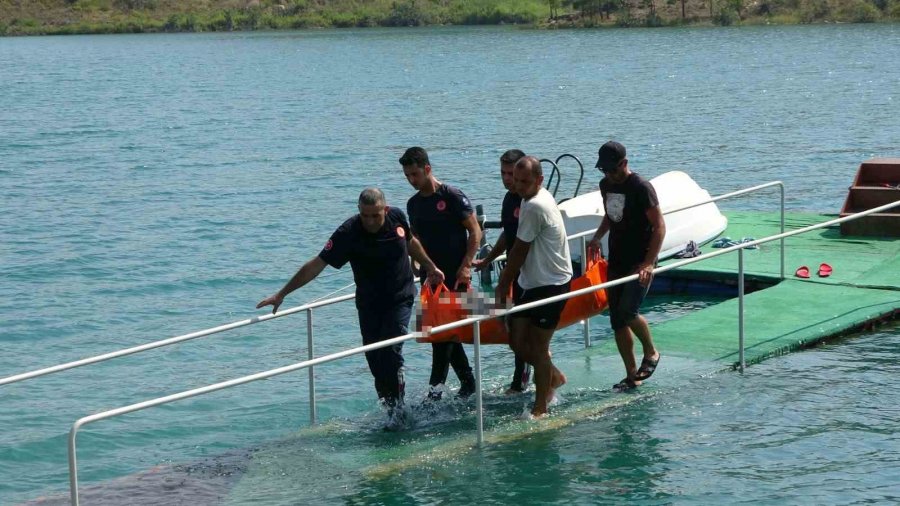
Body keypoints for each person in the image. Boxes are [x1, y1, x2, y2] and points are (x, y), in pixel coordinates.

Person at [257, 188, 444, 420]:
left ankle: (400, 408)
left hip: (399, 297)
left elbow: (410, 242)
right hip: (368, 304)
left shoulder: (396, 217)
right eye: (365, 215)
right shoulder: (348, 232)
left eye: (376, 215)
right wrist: (282, 293)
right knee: (375, 361)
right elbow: (316, 265)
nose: (371, 221)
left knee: (390, 351)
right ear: (359, 211)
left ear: (385, 209)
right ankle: (390, 410)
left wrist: (429, 266)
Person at [400, 146, 481, 401]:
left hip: (455, 277)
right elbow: (416, 239)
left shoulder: (452, 196)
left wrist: (467, 265)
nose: (412, 180)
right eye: (407, 176)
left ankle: (434, 395)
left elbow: (475, 232)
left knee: (442, 337)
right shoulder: (413, 204)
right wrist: (416, 264)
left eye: (415, 174)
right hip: (430, 280)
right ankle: (468, 383)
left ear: (427, 169)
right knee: (442, 334)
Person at [496, 156, 572, 418]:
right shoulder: (527, 200)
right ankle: (553, 375)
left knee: (538, 348)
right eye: (515, 180)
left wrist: (501, 287)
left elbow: (518, 251)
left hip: (551, 283)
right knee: (517, 341)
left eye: (524, 181)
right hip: (530, 282)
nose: (518, 186)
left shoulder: (535, 206)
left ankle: (541, 406)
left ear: (539, 180)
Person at [587, 141, 666, 392]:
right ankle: (632, 376)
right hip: (617, 260)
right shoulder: (606, 185)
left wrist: (648, 263)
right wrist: (598, 236)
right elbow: (612, 215)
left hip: (640, 260)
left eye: (613, 169)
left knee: (628, 311)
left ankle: (652, 351)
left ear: (624, 163)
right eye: (605, 171)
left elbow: (659, 226)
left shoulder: (641, 187)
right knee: (617, 321)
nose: (609, 175)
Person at [472, 148, 532, 395]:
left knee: (522, 327)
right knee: (512, 324)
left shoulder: (530, 201)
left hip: (534, 275)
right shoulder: (509, 199)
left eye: (511, 173)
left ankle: (525, 379)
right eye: (503, 173)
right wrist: (488, 259)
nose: (507, 179)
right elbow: (508, 235)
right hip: (516, 274)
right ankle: (522, 377)